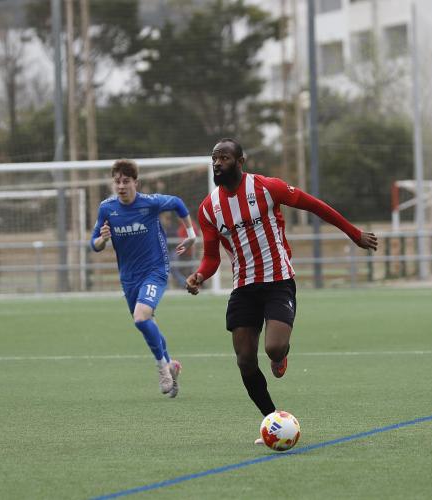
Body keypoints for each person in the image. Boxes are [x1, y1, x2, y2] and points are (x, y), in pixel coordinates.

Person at [185, 138, 378, 443]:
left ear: (240, 162)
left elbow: (313, 205)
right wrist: (199, 275)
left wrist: (353, 233)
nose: (217, 163)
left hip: (278, 280)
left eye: (224, 158)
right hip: (243, 287)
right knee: (245, 360)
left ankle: (280, 356)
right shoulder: (209, 209)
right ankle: (272, 421)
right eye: (214, 158)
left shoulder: (266, 187)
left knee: (273, 348)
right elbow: (211, 257)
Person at [91, 159, 197, 398]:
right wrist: (103, 239)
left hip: (155, 270)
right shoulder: (107, 208)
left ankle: (163, 369)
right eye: (117, 182)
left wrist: (191, 234)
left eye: (126, 181)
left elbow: (178, 203)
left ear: (135, 183)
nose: (121, 186)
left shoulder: (150, 203)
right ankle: (171, 364)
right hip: (128, 277)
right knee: (148, 322)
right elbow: (94, 244)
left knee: (141, 317)